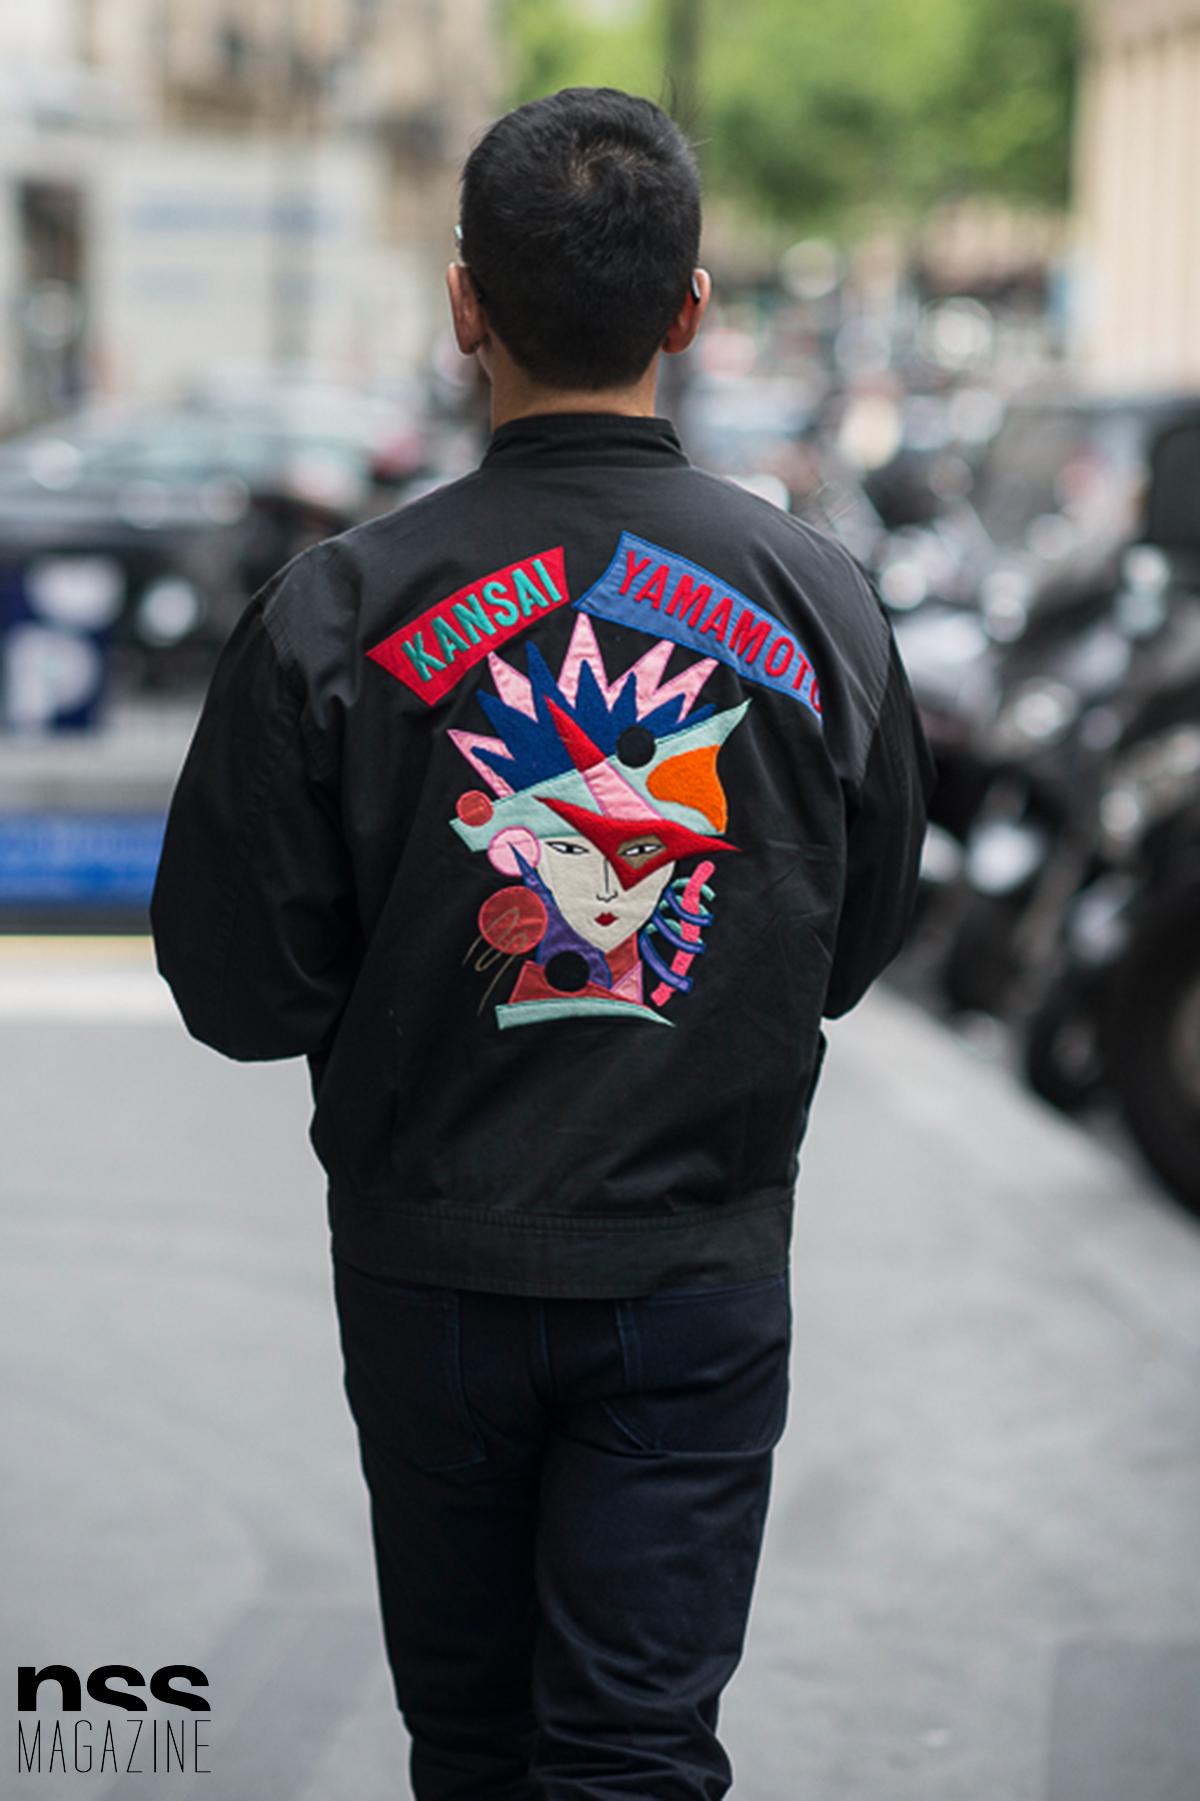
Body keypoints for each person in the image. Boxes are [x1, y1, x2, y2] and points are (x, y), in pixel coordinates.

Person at [150, 85, 934, 1801]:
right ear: (690, 310)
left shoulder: (336, 611)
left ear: (464, 306)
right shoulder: (818, 600)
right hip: (695, 1271)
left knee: (472, 1745)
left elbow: (235, 987)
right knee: (637, 1749)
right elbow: (857, 935)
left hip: (427, 1272)